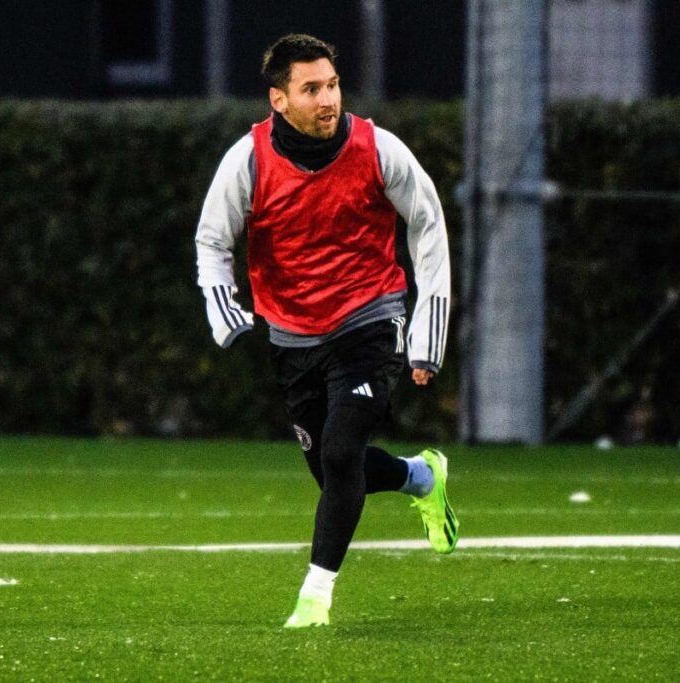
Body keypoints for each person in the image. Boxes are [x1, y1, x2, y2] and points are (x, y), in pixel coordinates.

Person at [194, 33, 459, 628]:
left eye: (332, 84)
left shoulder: (379, 148)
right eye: (310, 88)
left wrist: (427, 333)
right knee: (336, 470)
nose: (327, 99)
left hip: (369, 318)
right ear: (278, 100)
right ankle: (422, 475)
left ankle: (314, 599)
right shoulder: (249, 159)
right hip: (292, 336)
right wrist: (224, 308)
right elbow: (213, 240)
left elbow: (429, 225)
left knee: (341, 455)